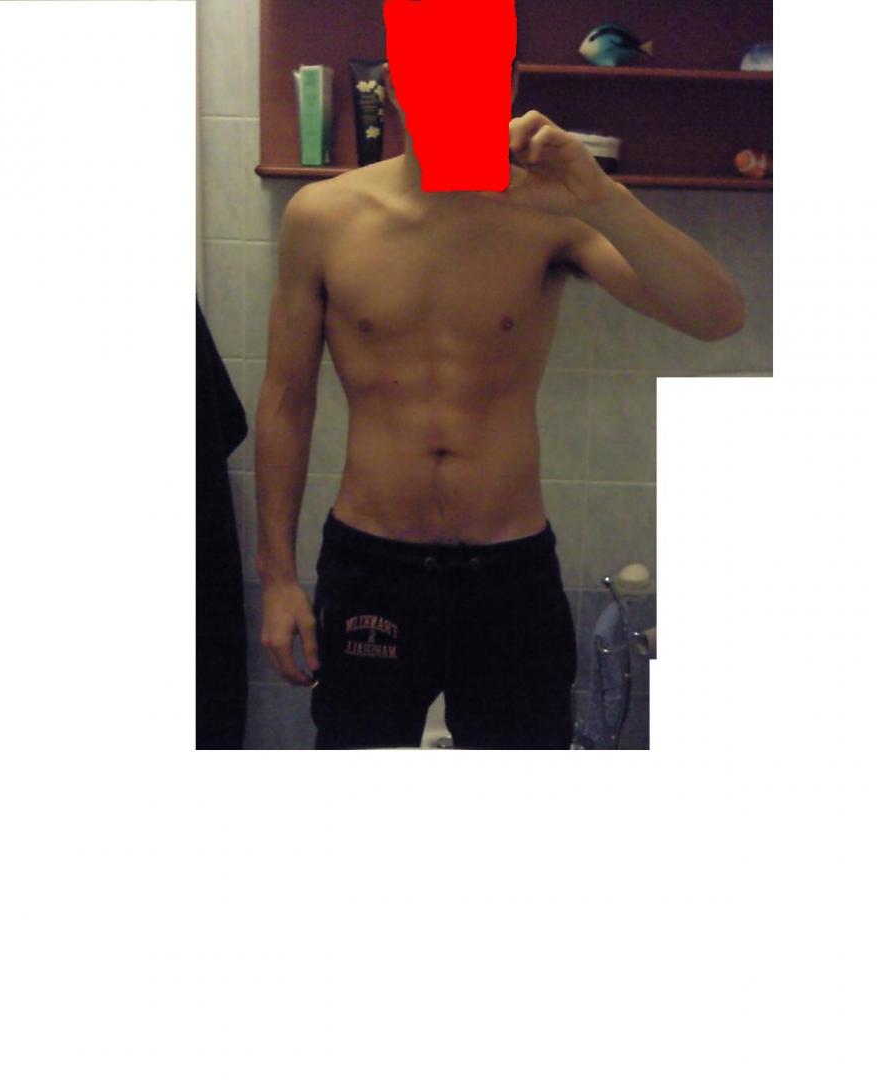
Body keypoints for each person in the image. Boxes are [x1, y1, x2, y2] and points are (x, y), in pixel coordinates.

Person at [255, 57, 744, 748]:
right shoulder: (323, 216)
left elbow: (717, 316)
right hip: (372, 566)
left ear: (507, 85)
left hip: (509, 573)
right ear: (394, 81)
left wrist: (601, 197)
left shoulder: (548, 215)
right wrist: (277, 578)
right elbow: (285, 401)